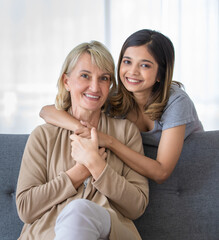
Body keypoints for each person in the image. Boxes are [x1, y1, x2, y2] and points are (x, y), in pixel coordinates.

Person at [16, 41, 149, 240]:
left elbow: (137, 206)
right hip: (46, 235)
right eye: (85, 76)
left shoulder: (125, 132)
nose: (95, 87)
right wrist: (80, 172)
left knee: (79, 212)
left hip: (111, 232)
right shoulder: (43, 136)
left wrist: (97, 166)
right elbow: (26, 208)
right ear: (67, 81)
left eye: (104, 78)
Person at [40, 29, 203, 184]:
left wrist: (109, 141)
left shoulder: (176, 101)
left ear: (160, 73)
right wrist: (82, 128)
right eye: (127, 62)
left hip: (190, 172)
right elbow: (46, 111)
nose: (132, 71)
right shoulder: (115, 97)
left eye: (144, 65)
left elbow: (161, 173)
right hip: (139, 177)